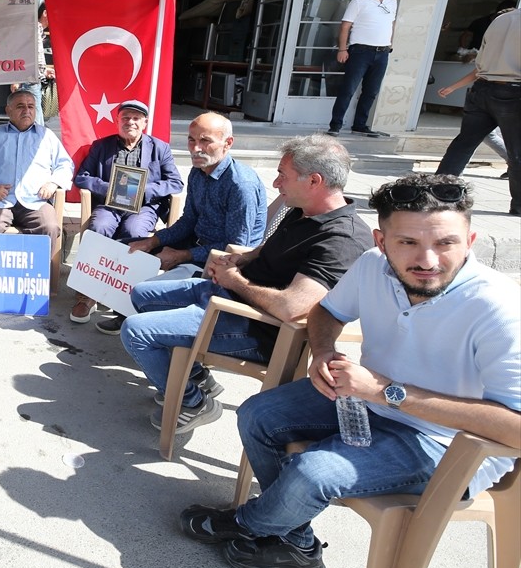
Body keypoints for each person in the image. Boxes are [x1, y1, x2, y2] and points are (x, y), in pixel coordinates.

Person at [180, 173, 520, 568]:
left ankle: (250, 523)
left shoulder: (498, 308)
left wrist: (386, 391)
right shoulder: (374, 266)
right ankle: (296, 541)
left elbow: (516, 429)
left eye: (445, 243)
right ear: (381, 241)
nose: (428, 261)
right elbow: (327, 311)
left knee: (313, 472)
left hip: (448, 444)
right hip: (372, 401)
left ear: (470, 240)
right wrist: (323, 351)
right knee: (258, 413)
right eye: (407, 242)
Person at [119, 134, 374, 433]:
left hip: (254, 328)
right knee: (140, 293)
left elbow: (293, 307)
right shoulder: (304, 210)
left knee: (136, 331)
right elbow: (268, 250)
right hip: (227, 296)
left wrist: (235, 281)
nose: (276, 184)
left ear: (314, 181)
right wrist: (241, 260)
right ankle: (196, 376)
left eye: (282, 175)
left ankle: (193, 401)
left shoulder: (343, 240)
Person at [96, 112, 266, 334]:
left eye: (205, 141)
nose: (196, 148)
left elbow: (234, 248)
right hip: (194, 243)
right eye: (191, 140)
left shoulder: (240, 185)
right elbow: (188, 220)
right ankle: (124, 311)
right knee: (125, 247)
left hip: (219, 263)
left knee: (146, 289)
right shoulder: (198, 172)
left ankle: (147, 326)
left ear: (227, 144)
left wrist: (182, 255)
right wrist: (153, 241)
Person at [69, 99, 184, 323]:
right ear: (117, 120)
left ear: (145, 123)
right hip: (110, 205)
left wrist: (144, 191)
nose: (130, 122)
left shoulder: (160, 148)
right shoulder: (101, 146)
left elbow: (175, 183)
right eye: (125, 118)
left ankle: (124, 296)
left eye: (136, 118)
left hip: (143, 207)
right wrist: (109, 188)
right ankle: (88, 294)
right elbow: (82, 177)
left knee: (135, 230)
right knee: (99, 226)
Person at [0, 90, 73, 273]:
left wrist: (52, 183)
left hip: (35, 200)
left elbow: (65, 165)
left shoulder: (46, 136)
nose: (27, 110)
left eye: (31, 106)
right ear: (8, 110)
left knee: (49, 227)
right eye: (20, 106)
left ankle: (36, 282)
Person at [436, 7, 520, 216]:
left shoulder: (501, 19)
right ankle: (519, 206)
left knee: (463, 144)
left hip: (481, 88)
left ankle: (439, 194)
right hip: (513, 90)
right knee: (517, 151)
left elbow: (481, 60)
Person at [326, 0, 397, 138]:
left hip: (382, 52)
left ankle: (359, 125)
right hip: (360, 51)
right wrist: (342, 49)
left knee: (371, 91)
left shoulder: (392, 2)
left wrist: (390, 43)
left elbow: (391, 24)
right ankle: (335, 125)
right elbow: (345, 26)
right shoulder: (358, 2)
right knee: (348, 89)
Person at [11, 2, 48, 125]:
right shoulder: (35, 28)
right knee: (34, 119)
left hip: (31, 79)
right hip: (29, 79)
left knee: (34, 118)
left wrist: (44, 71)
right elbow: (25, 51)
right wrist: (17, 78)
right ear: (45, 13)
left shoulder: (37, 29)